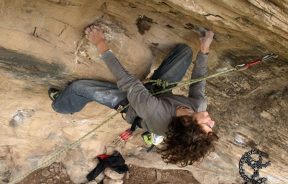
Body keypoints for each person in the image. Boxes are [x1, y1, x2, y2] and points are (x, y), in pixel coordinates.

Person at [49, 25, 218, 166]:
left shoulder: (155, 111)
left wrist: (99, 42)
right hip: (159, 91)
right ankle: (157, 80)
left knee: (79, 87)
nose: (212, 121)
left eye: (208, 125)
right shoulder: (198, 106)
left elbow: (127, 80)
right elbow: (199, 82)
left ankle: (62, 105)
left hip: (131, 105)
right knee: (185, 52)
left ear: (188, 122)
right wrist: (204, 49)